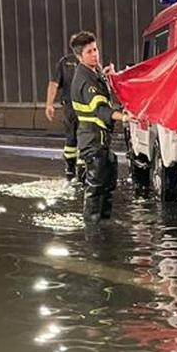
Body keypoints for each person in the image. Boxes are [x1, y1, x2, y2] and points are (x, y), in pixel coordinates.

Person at [69, 31, 128, 223]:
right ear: (79, 56)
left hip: (100, 141)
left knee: (108, 183)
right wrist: (125, 117)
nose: (95, 54)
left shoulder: (93, 72)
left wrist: (106, 76)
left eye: (95, 49)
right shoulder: (85, 80)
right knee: (95, 188)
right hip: (92, 141)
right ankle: (93, 232)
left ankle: (103, 224)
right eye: (89, 52)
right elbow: (100, 109)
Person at [45, 41, 81, 180]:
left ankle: (72, 169)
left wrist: (49, 104)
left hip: (73, 108)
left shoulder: (66, 62)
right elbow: (54, 84)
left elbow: (54, 84)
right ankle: (74, 169)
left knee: (74, 138)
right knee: (75, 138)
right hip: (74, 108)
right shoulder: (66, 62)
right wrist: (49, 104)